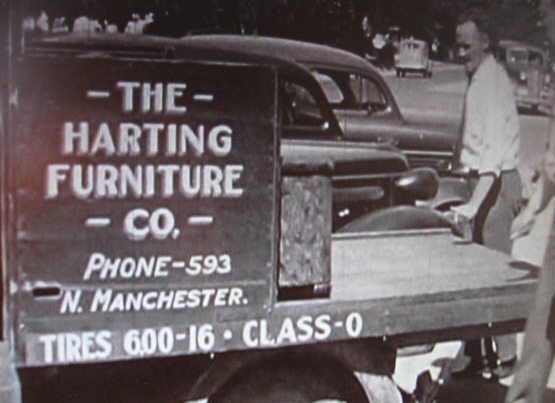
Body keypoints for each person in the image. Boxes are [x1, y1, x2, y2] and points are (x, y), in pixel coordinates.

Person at [449, 7, 523, 380]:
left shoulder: (492, 82)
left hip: (493, 186)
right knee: (472, 278)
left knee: (492, 275)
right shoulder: (479, 78)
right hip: (481, 183)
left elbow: (492, 161)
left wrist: (473, 207)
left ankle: (507, 359)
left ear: (485, 43)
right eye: (458, 47)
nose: (460, 54)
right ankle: (476, 355)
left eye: (467, 47)